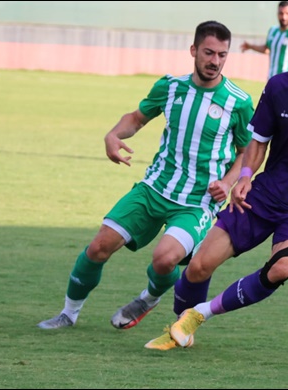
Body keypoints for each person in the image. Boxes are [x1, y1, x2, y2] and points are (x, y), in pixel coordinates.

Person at [145, 16, 288, 350]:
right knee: (198, 266)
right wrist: (244, 177)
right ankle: (181, 331)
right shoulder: (279, 88)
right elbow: (258, 141)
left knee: (281, 268)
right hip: (264, 195)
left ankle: (199, 315)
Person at [38, 20, 254, 332]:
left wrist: (228, 181)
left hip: (196, 202)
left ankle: (149, 297)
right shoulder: (170, 88)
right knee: (99, 246)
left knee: (164, 259)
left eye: (222, 55)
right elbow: (136, 119)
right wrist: (113, 134)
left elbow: (249, 150)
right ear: (193, 50)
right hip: (154, 188)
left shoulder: (239, 101)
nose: (214, 61)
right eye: (208, 52)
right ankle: (68, 314)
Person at [240, 1, 288, 80]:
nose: (284, 17)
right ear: (277, 14)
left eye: (287, 13)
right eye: (281, 13)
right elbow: (267, 49)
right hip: (271, 78)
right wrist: (250, 46)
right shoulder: (272, 30)